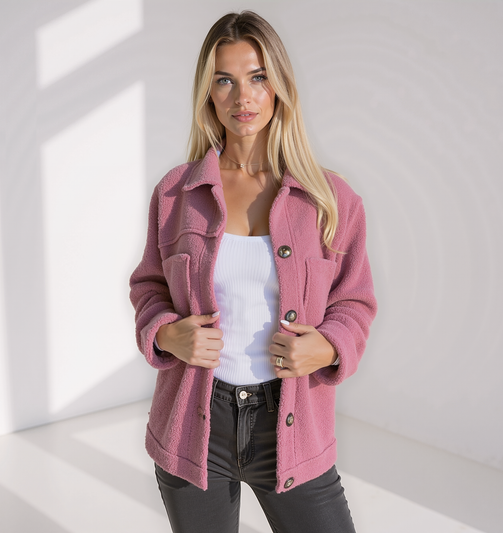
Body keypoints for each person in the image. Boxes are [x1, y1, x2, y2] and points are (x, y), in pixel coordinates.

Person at [129, 10, 377, 533]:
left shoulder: (330, 199)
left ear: (279, 86)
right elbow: (149, 286)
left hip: (291, 426)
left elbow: (354, 302)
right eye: (225, 80)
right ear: (208, 92)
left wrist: (329, 347)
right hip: (194, 427)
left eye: (258, 77)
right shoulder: (176, 193)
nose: (243, 97)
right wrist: (167, 334)